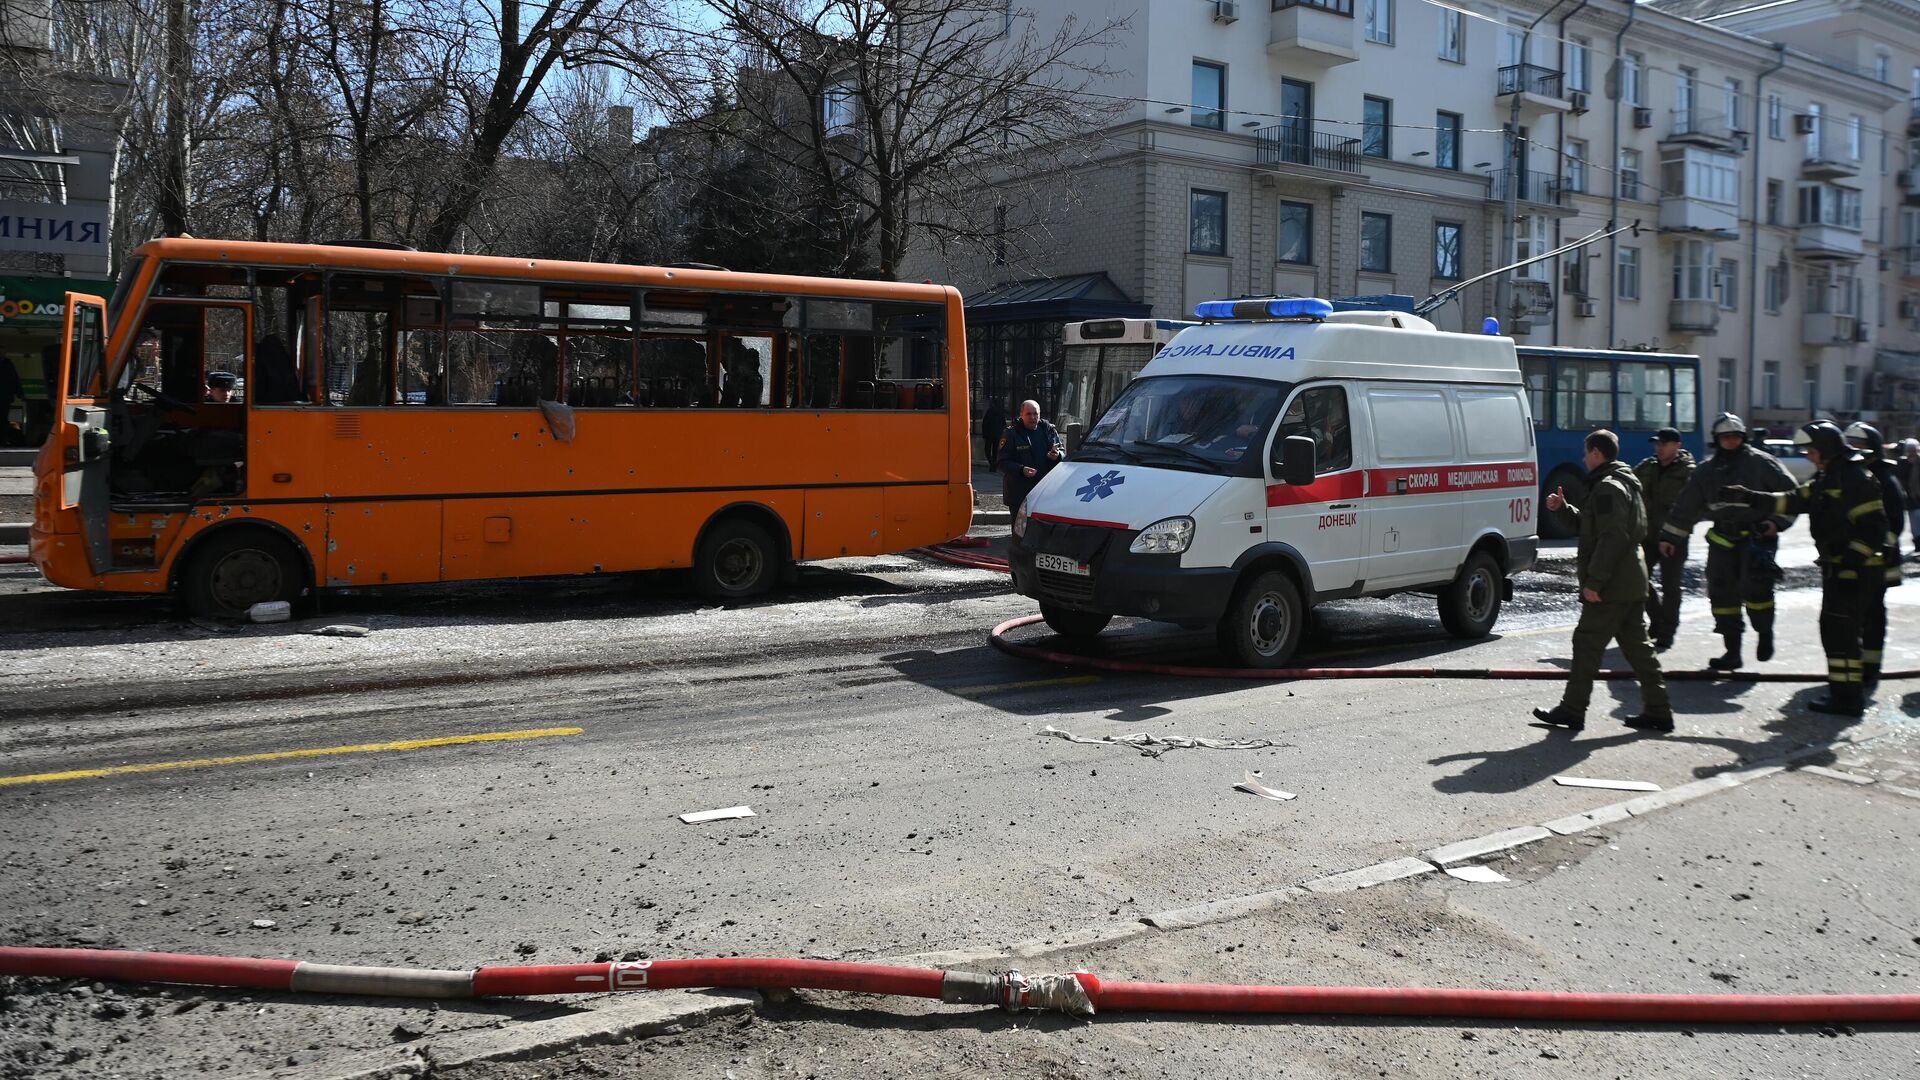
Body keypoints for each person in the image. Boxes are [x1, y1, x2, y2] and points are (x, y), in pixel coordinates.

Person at [1721, 421, 1893, 716]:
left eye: (1811, 450)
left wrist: (1851, 566)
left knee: (1842, 634)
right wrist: (1749, 496)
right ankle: (1845, 695)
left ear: (1825, 449)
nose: (1808, 456)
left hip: (1855, 571)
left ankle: (1847, 699)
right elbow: (1793, 500)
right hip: (1839, 569)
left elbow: (1874, 529)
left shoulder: (1853, 479)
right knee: (1836, 633)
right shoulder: (1830, 477)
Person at [1532, 429, 1673, 733]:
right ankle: (1659, 711)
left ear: (1596, 452)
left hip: (1614, 585)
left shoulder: (1608, 487)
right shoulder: (1624, 482)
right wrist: (1564, 509)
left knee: (1586, 643)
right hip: (1631, 580)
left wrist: (1595, 582)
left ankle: (1572, 710)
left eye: (1586, 453)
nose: (1583, 459)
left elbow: (1612, 537)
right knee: (1638, 648)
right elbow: (1593, 526)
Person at [1657, 412, 1795, 670]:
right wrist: (1670, 537)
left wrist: (1776, 523)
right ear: (1717, 440)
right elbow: (1686, 506)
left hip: (1757, 538)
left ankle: (1765, 634)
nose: (1730, 441)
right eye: (1725, 437)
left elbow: (1791, 496)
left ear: (1743, 438)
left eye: (1735, 437)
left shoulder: (1763, 464)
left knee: (1757, 591)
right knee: (1721, 594)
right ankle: (1732, 652)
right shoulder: (1706, 472)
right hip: (1722, 538)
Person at [1844, 422, 1904, 691]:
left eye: (1860, 445)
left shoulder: (1884, 479)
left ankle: (1870, 668)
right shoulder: (1849, 474)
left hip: (1877, 563)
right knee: (1850, 615)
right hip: (1852, 559)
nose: (1854, 450)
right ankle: (1853, 666)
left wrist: (1870, 551)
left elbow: (1894, 525)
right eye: (1850, 444)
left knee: (1871, 616)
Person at [1633, 427, 1695, 650]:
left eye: (1664, 444)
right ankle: (1657, 619)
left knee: (1671, 586)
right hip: (1648, 535)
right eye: (1657, 444)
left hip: (1674, 537)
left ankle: (1667, 632)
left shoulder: (1688, 472)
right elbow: (1629, 483)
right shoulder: (1648, 466)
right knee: (1637, 578)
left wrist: (1675, 533)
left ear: (1677, 446)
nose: (1658, 448)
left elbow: (1693, 507)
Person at [998, 398, 1063, 518]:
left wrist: (1057, 455)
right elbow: (1002, 462)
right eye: (1028, 414)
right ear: (1021, 414)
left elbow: (1063, 452)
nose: (1033, 417)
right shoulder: (1011, 434)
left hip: (1045, 492)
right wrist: (1021, 470)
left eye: (1035, 414)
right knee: (1020, 532)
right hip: (1020, 493)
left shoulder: (1048, 430)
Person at [1897, 438, 1920, 544]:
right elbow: (1899, 478)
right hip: (1910, 497)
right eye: (1910, 449)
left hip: (1917, 494)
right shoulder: (1902, 462)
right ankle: (1917, 542)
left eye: (1914, 449)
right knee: (1914, 522)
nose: (1912, 451)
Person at [981, 398, 1006, 469]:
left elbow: (985, 424)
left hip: (989, 435)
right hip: (998, 435)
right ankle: (994, 464)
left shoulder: (989, 412)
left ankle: (992, 463)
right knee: (995, 451)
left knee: (987, 450)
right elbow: (1004, 424)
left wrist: (984, 435)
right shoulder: (1001, 412)